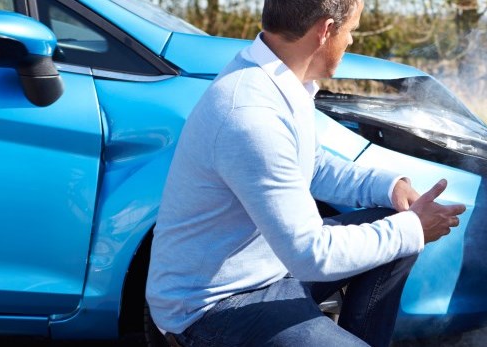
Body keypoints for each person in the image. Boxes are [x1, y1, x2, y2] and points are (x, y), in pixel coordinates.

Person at [145, 0, 467, 346]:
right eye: (351, 31)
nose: (351, 42)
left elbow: (310, 167)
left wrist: (390, 188)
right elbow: (311, 254)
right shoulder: (250, 114)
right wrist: (413, 228)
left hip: (268, 269)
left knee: (397, 219)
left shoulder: (276, 80)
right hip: (212, 307)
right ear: (325, 30)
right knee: (404, 230)